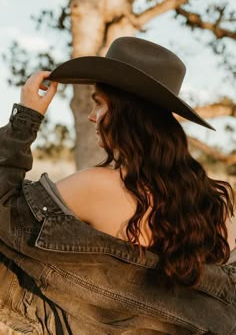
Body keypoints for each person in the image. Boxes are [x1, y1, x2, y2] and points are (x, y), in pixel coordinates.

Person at [0, 36, 235, 335]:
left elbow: (5, 212)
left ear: (126, 113)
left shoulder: (97, 186)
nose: (91, 115)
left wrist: (26, 117)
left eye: (99, 104)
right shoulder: (215, 207)